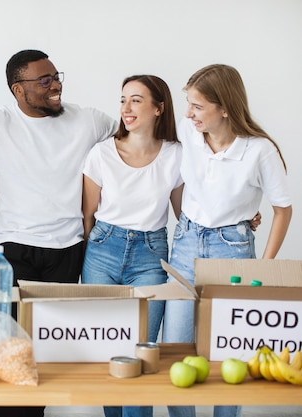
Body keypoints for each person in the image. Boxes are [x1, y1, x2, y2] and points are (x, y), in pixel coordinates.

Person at [0, 49, 118, 417]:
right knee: (10, 352)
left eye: (56, 76)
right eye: (44, 80)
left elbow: (136, 144)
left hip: (68, 249)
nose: (56, 85)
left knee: (45, 356)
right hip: (13, 250)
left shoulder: (89, 120)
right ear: (19, 89)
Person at [162, 64, 292, 417]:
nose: (188, 113)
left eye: (198, 106)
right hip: (186, 241)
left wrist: (264, 268)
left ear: (225, 108)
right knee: (175, 348)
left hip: (232, 249)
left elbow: (283, 209)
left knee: (229, 350)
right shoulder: (189, 133)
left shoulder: (259, 150)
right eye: (188, 103)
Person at [81, 74, 182, 417]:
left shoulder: (176, 156)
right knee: (110, 351)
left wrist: (245, 216)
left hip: (151, 255)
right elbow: (87, 215)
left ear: (159, 108)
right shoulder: (100, 153)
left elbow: (186, 215)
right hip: (102, 250)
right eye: (123, 99)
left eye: (136, 100)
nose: (126, 108)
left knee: (141, 354)